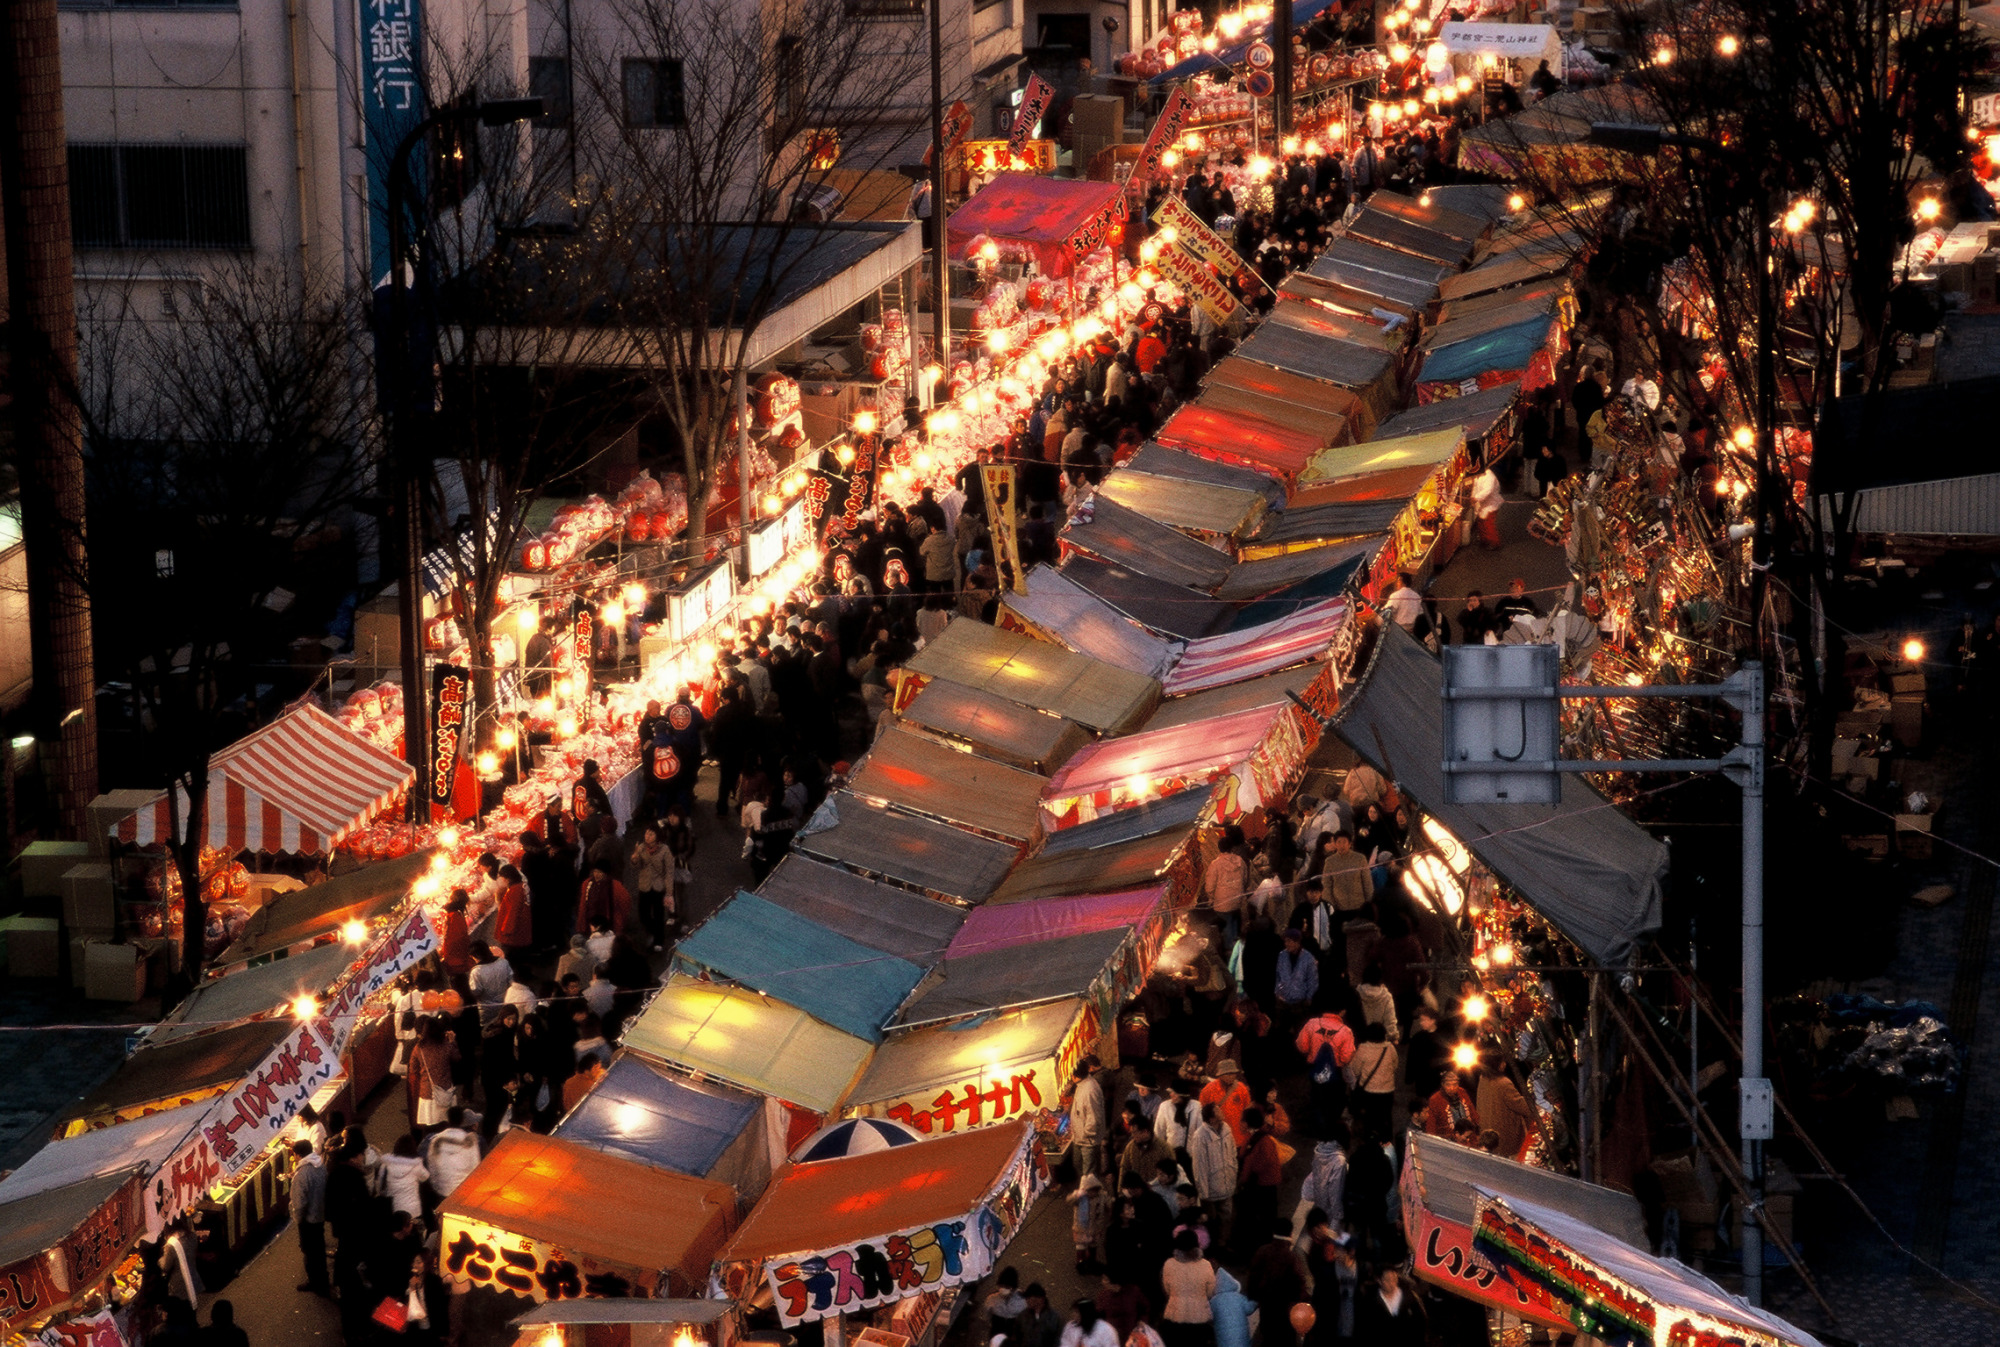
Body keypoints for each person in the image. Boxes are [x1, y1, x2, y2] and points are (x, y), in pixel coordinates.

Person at [1243, 1221, 1308, 1347]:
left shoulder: (1262, 1251)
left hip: (1266, 1307)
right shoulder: (1291, 1258)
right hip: (1285, 1311)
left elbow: (1253, 1278)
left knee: (1268, 1338)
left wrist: (1254, 1296)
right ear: (1291, 1233)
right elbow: (1300, 1284)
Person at [1234, 1108, 1283, 1259]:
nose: (1240, 1123)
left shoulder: (1261, 1140)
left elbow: (1258, 1162)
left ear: (1247, 1123)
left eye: (1242, 1120)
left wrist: (1245, 1178)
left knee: (1261, 1222)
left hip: (1262, 1188)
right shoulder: (1258, 1137)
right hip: (1262, 1186)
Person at [1159, 1228, 1217, 1347]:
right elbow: (1210, 1292)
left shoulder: (1169, 1264)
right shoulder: (1206, 1265)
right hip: (1199, 1319)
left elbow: (1167, 1290)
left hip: (1174, 1317)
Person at [1474, 1056, 1538, 1160]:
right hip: (1504, 1133)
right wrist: (1536, 1105)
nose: (1505, 1064)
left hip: (1489, 1130)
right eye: (1502, 1062)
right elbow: (1519, 1104)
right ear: (1497, 1064)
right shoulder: (1503, 1083)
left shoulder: (1483, 1078)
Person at [289, 1138, 330, 1295]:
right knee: (319, 1250)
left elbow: (299, 1203)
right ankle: (323, 1280)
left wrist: (298, 1220)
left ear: (298, 1155)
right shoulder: (320, 1165)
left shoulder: (302, 1174)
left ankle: (316, 1283)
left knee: (311, 1253)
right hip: (319, 1214)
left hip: (308, 1220)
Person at [1344, 1023, 1398, 1139]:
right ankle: (1387, 1142)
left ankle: (1370, 1140)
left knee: (1370, 1118)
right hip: (1387, 1090)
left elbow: (1355, 1070)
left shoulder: (1363, 1048)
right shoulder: (1390, 1047)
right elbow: (1395, 1065)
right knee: (1386, 1116)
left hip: (1369, 1091)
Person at [1354, 1266, 1425, 1344]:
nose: (1392, 1283)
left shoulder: (1408, 1296)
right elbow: (1364, 1325)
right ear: (1379, 1281)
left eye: (1395, 1279)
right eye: (1387, 1280)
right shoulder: (1370, 1300)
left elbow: (1420, 1320)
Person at [1068, 1057, 1109, 1178]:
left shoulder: (1090, 1090)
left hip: (1087, 1140)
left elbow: (1094, 1116)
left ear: (1076, 1075)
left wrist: (1088, 1134)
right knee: (1078, 1165)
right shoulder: (1082, 1084)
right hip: (1079, 1137)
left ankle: (1090, 1192)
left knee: (1088, 1171)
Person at [1198, 1061, 1255, 1146]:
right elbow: (1201, 1114)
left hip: (1238, 1139)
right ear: (1220, 1075)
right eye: (1228, 1074)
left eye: (1233, 1073)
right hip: (1217, 1139)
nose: (1231, 1076)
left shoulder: (1242, 1088)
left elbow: (1249, 1111)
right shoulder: (1208, 1090)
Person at [379, 1133, 430, 1219]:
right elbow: (426, 1177)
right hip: (412, 1210)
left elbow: (380, 1186)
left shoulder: (386, 1164)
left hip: (392, 1208)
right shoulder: (416, 1165)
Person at [1070, 1175, 1112, 1274]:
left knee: (1093, 1245)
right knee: (1081, 1246)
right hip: (1081, 1228)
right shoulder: (1080, 1198)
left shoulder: (1102, 1196)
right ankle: (1081, 1264)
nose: (1092, 1193)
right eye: (1089, 1191)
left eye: (1094, 1191)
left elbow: (1109, 1204)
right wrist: (1076, 1195)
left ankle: (1091, 1262)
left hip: (1096, 1227)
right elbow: (1069, 1200)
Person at [1421, 1068, 1480, 1138]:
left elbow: (1473, 1114)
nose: (1452, 1088)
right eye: (1448, 1085)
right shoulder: (1435, 1100)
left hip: (1468, 1137)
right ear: (1442, 1084)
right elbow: (1430, 1127)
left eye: (1455, 1085)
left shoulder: (1462, 1092)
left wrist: (1476, 1130)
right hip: (1448, 1140)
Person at [986, 1266, 1027, 1342]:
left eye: (1006, 1287)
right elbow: (988, 1315)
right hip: (997, 1330)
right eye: (1001, 1286)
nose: (1002, 1289)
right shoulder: (992, 1299)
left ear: (1013, 1288)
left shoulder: (1023, 1301)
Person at [1469, 464, 1503, 549]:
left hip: (1491, 504)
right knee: (1481, 523)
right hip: (1483, 504)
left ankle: (1494, 543)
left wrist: (1476, 498)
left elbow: (1488, 490)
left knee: (1488, 524)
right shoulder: (1478, 476)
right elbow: (1475, 488)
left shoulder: (1489, 476)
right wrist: (1473, 498)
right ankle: (1484, 540)